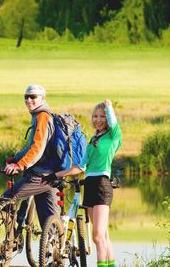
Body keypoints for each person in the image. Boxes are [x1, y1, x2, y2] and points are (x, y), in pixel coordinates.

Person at [42, 99, 122, 267]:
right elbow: (81, 166)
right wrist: (56, 175)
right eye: (95, 116)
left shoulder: (113, 136)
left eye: (102, 116)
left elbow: (114, 122)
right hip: (90, 185)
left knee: (97, 236)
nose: (98, 119)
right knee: (103, 235)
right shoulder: (93, 139)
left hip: (102, 185)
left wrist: (108, 107)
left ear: (107, 119)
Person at [0, 84, 59, 228]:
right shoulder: (39, 116)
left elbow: (37, 148)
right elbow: (31, 146)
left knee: (5, 198)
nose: (29, 100)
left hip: (41, 175)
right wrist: (16, 158)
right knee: (50, 225)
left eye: (33, 96)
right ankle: (53, 249)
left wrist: (20, 165)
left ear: (42, 98)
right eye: (26, 97)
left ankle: (8, 243)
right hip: (51, 175)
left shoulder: (42, 116)